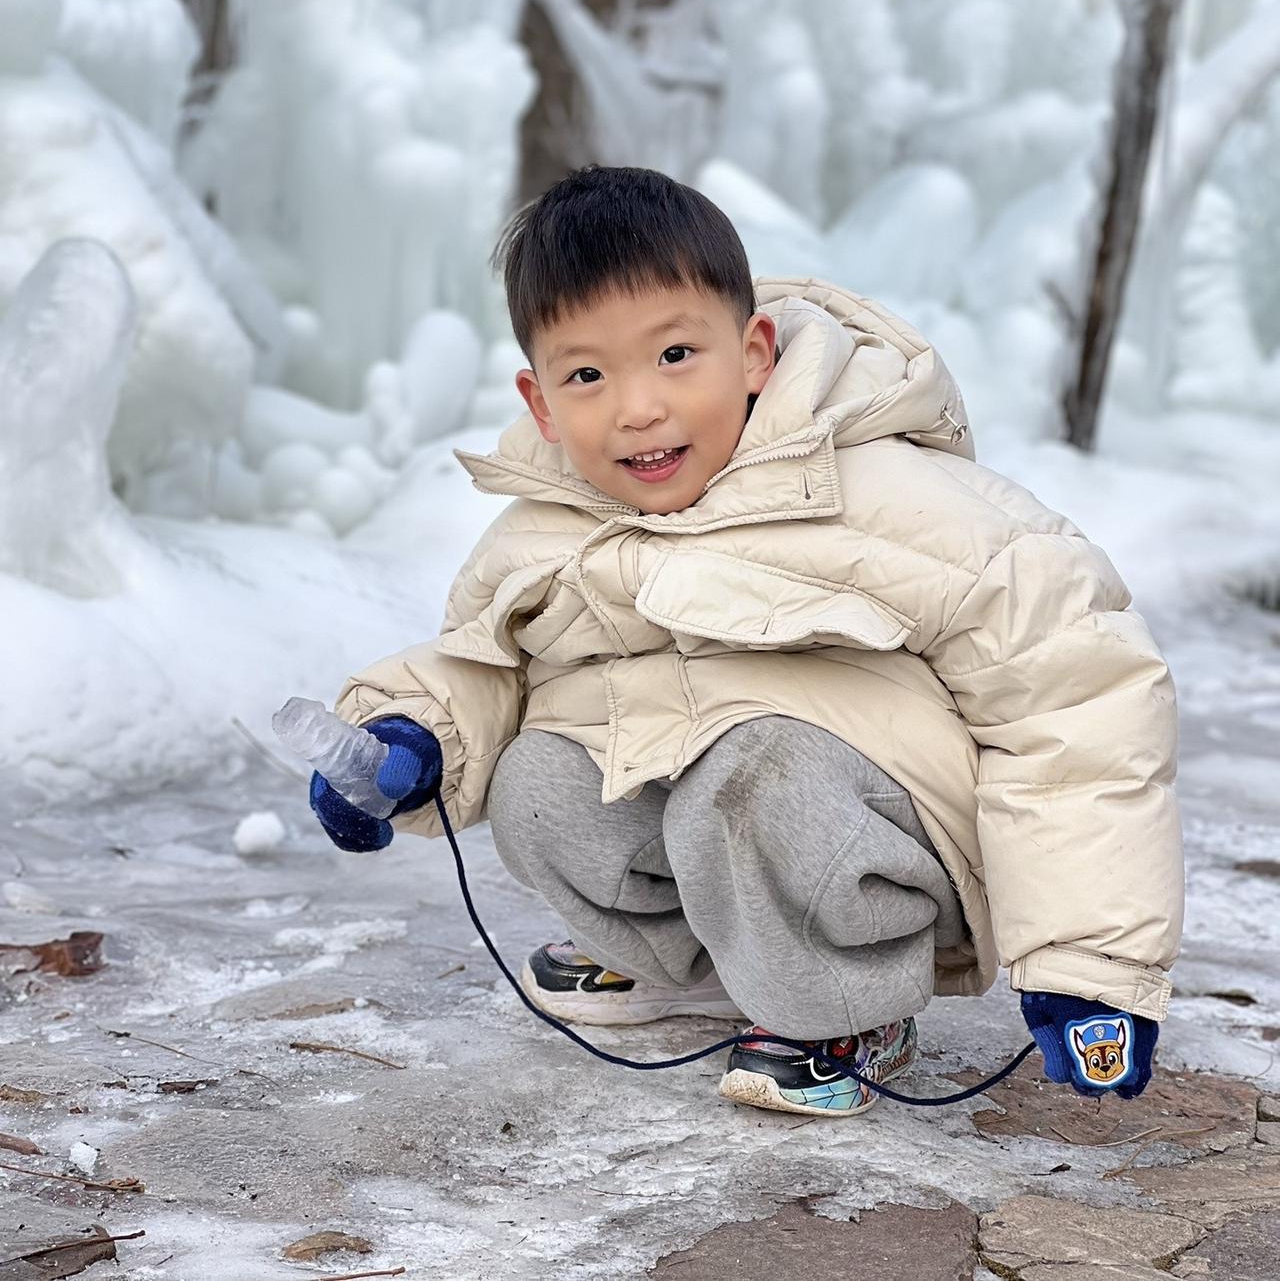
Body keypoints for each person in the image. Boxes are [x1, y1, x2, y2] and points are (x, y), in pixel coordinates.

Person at [310, 165, 1183, 1118]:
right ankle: (701, 969)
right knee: (541, 778)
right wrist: (408, 745)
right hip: (730, 832)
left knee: (751, 767)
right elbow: (488, 671)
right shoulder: (544, 532)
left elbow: (1075, 695)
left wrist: (1089, 961)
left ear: (755, 351)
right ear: (542, 404)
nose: (638, 406)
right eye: (589, 375)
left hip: (881, 840)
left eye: (676, 354)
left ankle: (852, 1006)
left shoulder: (889, 499)